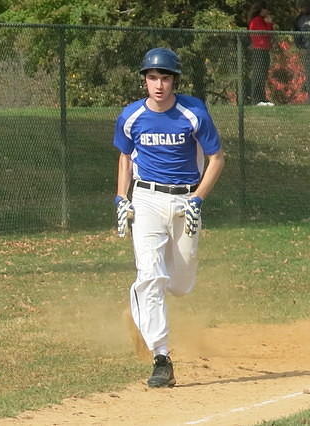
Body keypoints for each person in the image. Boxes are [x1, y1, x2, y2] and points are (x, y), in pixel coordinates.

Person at [113, 48, 225, 388]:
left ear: (174, 80)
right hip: (146, 198)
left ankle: (138, 307)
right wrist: (122, 198)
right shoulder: (131, 116)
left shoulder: (193, 112)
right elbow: (125, 157)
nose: (158, 84)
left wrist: (197, 200)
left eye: (165, 77)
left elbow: (217, 158)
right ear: (144, 80)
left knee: (179, 285)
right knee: (151, 275)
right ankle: (161, 358)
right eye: (152, 77)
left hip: (185, 200)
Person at [248, 1, 275, 106]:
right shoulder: (257, 20)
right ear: (261, 10)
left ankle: (261, 97)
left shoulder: (262, 20)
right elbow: (264, 33)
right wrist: (269, 23)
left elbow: (270, 34)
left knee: (263, 75)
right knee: (258, 74)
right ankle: (256, 98)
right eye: (266, 9)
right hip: (259, 50)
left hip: (265, 50)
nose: (268, 11)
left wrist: (269, 24)